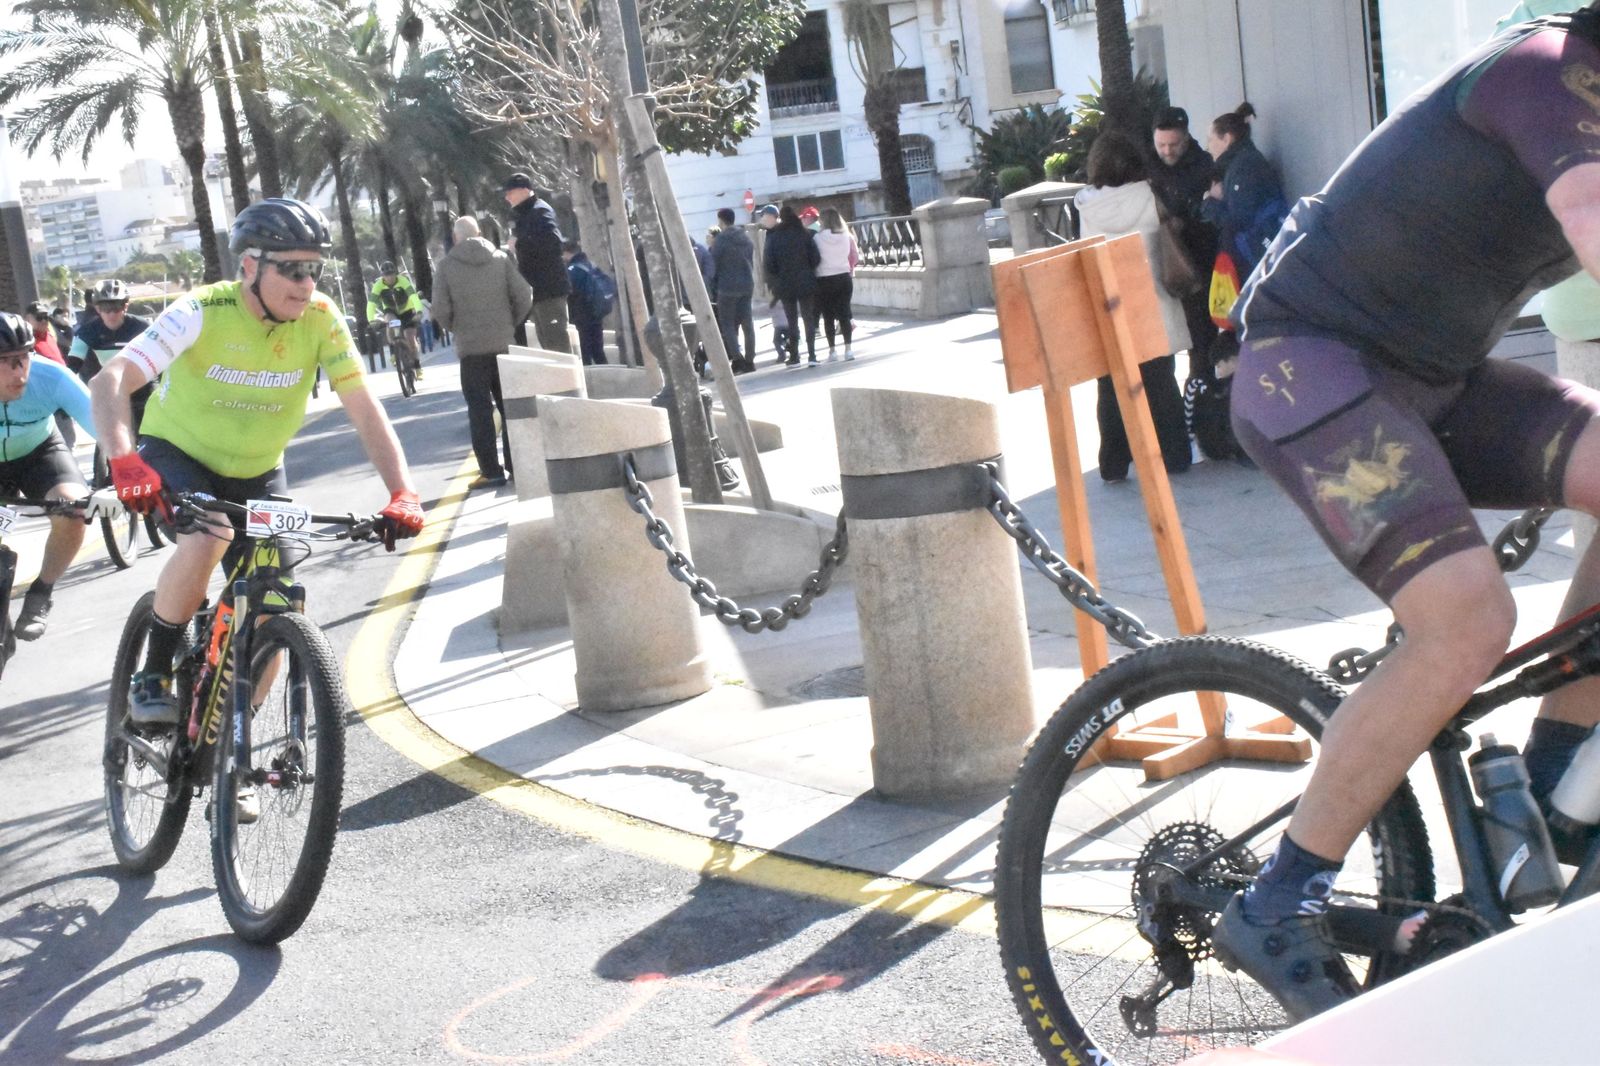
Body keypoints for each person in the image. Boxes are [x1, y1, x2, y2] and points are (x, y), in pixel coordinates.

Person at [1209, 7, 1600, 1021]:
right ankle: (1278, 894)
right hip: (1314, 366)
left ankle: (1556, 787)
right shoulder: (1543, 68)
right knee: (1467, 617)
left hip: (1441, 377)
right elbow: (1592, 213)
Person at [91, 196, 425, 726]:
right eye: (291, 268)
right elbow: (109, 381)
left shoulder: (320, 319)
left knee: (278, 603)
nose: (306, 283)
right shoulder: (203, 310)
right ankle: (152, 673)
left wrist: (402, 492)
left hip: (258, 469)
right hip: (177, 454)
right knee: (210, 533)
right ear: (249, 266)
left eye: (314, 269)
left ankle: (235, 743)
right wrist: (123, 460)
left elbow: (365, 411)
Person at [1074, 132, 1194, 480]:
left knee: (1110, 387)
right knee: (1160, 383)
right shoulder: (1151, 196)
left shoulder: (1084, 205)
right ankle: (1174, 456)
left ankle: (1114, 462)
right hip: (1153, 301)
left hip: (1110, 306)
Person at [0, 312, 116, 652]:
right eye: (6, 362)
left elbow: (108, 431)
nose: (20, 372)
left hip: (39, 452)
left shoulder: (51, 377)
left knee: (74, 509)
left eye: (23, 358)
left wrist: (117, 482)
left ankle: (42, 592)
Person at [432, 214, 533, 490]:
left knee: (480, 411)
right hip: (504, 346)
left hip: (471, 351)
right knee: (509, 408)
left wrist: (457, 328)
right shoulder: (500, 259)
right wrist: (510, 323)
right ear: (479, 233)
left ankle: (491, 471)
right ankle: (517, 465)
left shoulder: (447, 266)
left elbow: (440, 309)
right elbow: (524, 294)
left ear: (456, 238)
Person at [1149, 105, 1220, 375]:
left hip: (1198, 264)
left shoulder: (1204, 166)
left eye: (1174, 144)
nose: (1167, 151)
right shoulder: (1147, 166)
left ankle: (1201, 394)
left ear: (1186, 138)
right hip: (1161, 263)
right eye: (1161, 145)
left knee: (1200, 338)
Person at [1201, 102, 1287, 288]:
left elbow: (1238, 221)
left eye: (1210, 139)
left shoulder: (1245, 166)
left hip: (1252, 260)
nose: (1208, 147)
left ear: (1226, 139)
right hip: (1252, 255)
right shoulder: (1238, 165)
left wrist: (1210, 203)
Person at [502, 173, 571, 353]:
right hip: (540, 292)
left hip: (549, 290)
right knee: (548, 345)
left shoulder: (540, 211)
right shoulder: (526, 214)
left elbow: (553, 242)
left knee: (557, 346)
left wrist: (519, 243)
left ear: (525, 190)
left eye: (510, 192)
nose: (507, 197)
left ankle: (567, 382)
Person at [761, 204, 820, 367]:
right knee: (808, 318)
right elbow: (816, 258)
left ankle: (794, 355)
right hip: (806, 282)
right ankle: (812, 355)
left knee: (791, 320)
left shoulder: (774, 237)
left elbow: (769, 264)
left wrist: (774, 282)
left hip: (785, 285)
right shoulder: (805, 234)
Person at [709, 207, 757, 374]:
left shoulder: (721, 240)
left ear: (721, 221)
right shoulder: (745, 237)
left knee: (728, 324)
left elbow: (713, 264)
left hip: (727, 286)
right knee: (747, 323)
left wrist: (713, 285)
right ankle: (750, 360)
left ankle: (737, 359)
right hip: (746, 284)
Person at [812, 208, 858, 363]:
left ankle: (832, 350)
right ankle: (848, 349)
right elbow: (854, 256)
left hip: (824, 279)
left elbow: (814, 259)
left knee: (828, 316)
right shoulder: (847, 237)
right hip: (844, 277)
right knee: (844, 314)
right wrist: (848, 268)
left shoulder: (817, 238)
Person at [367, 261, 425, 380]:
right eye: (386, 275)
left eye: (391, 274)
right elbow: (371, 304)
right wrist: (371, 320)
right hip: (391, 310)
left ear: (395, 273)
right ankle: (394, 351)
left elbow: (414, 297)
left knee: (411, 339)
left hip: (407, 311)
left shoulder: (403, 281)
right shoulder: (378, 285)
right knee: (390, 321)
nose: (389, 277)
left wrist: (418, 312)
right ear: (382, 276)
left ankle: (417, 366)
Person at [561, 240, 613, 368]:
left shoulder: (573, 270)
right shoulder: (591, 265)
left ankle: (590, 385)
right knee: (598, 352)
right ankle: (606, 377)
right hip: (596, 315)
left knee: (584, 354)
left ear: (567, 253)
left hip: (581, 318)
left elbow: (568, 291)